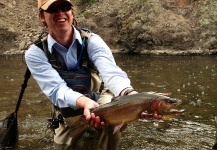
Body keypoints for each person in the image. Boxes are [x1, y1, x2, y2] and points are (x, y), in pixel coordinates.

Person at [25, 0, 162, 149]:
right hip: (67, 103)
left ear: (72, 12)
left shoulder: (92, 41)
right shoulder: (35, 53)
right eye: (52, 9)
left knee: (110, 121)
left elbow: (111, 72)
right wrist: (84, 102)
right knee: (64, 146)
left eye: (65, 7)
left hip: (99, 95)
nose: (60, 13)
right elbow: (56, 89)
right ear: (42, 16)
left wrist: (129, 93)